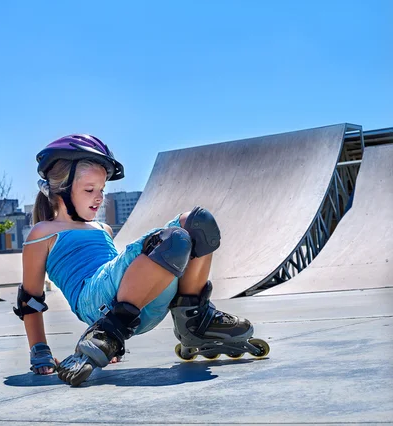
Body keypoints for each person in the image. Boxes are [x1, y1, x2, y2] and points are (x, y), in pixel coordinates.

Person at [14, 134, 256, 387]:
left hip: (139, 297)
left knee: (197, 221)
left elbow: (124, 268)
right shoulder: (42, 232)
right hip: (95, 301)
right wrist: (39, 350)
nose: (99, 197)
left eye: (101, 190)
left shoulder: (102, 228)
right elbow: (30, 299)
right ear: (60, 189)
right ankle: (106, 332)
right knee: (171, 240)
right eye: (89, 190)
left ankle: (193, 321)